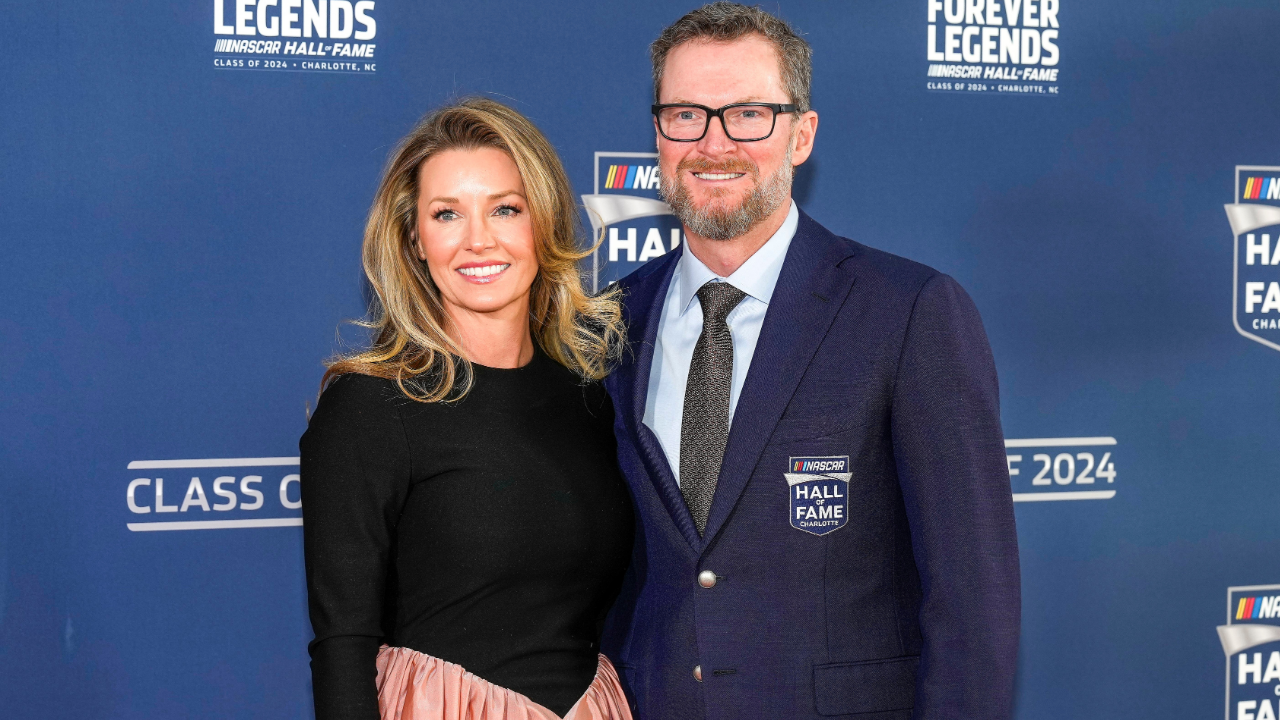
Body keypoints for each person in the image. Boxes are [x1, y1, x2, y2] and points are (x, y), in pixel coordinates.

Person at [599, 4, 1021, 719]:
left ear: (802, 134)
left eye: (748, 115)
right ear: (658, 133)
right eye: (686, 115)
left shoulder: (909, 311)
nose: (714, 142)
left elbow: (971, 600)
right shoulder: (609, 322)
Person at [300, 98, 634, 720]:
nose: (478, 239)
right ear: (415, 241)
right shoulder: (370, 406)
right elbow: (343, 642)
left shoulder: (589, 398)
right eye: (447, 214)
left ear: (545, 224)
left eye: (506, 209)